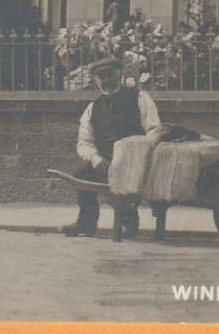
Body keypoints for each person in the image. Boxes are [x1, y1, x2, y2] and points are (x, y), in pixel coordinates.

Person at [61, 56, 161, 237]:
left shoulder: (139, 98)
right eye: (101, 77)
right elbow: (85, 141)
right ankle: (86, 224)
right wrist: (95, 158)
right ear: (96, 80)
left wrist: (140, 153)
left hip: (134, 159)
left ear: (120, 75)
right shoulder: (93, 108)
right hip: (106, 160)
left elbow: (153, 129)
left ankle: (129, 224)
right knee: (81, 174)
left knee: (127, 179)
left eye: (110, 75)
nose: (106, 80)